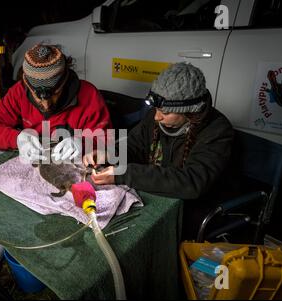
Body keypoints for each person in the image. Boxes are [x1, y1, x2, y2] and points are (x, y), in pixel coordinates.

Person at [88, 62, 234, 239]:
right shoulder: (155, 118)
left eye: (164, 112)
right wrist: (109, 154)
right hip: (157, 199)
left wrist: (123, 173)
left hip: (191, 211)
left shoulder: (217, 130)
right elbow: (133, 146)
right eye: (156, 109)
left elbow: (191, 182)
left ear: (188, 111)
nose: (157, 116)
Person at [0, 44, 112, 162]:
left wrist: (83, 143)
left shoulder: (89, 95)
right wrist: (16, 138)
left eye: (54, 94)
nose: (46, 105)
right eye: (37, 97)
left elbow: (108, 140)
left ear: (65, 83)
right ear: (27, 86)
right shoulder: (19, 92)